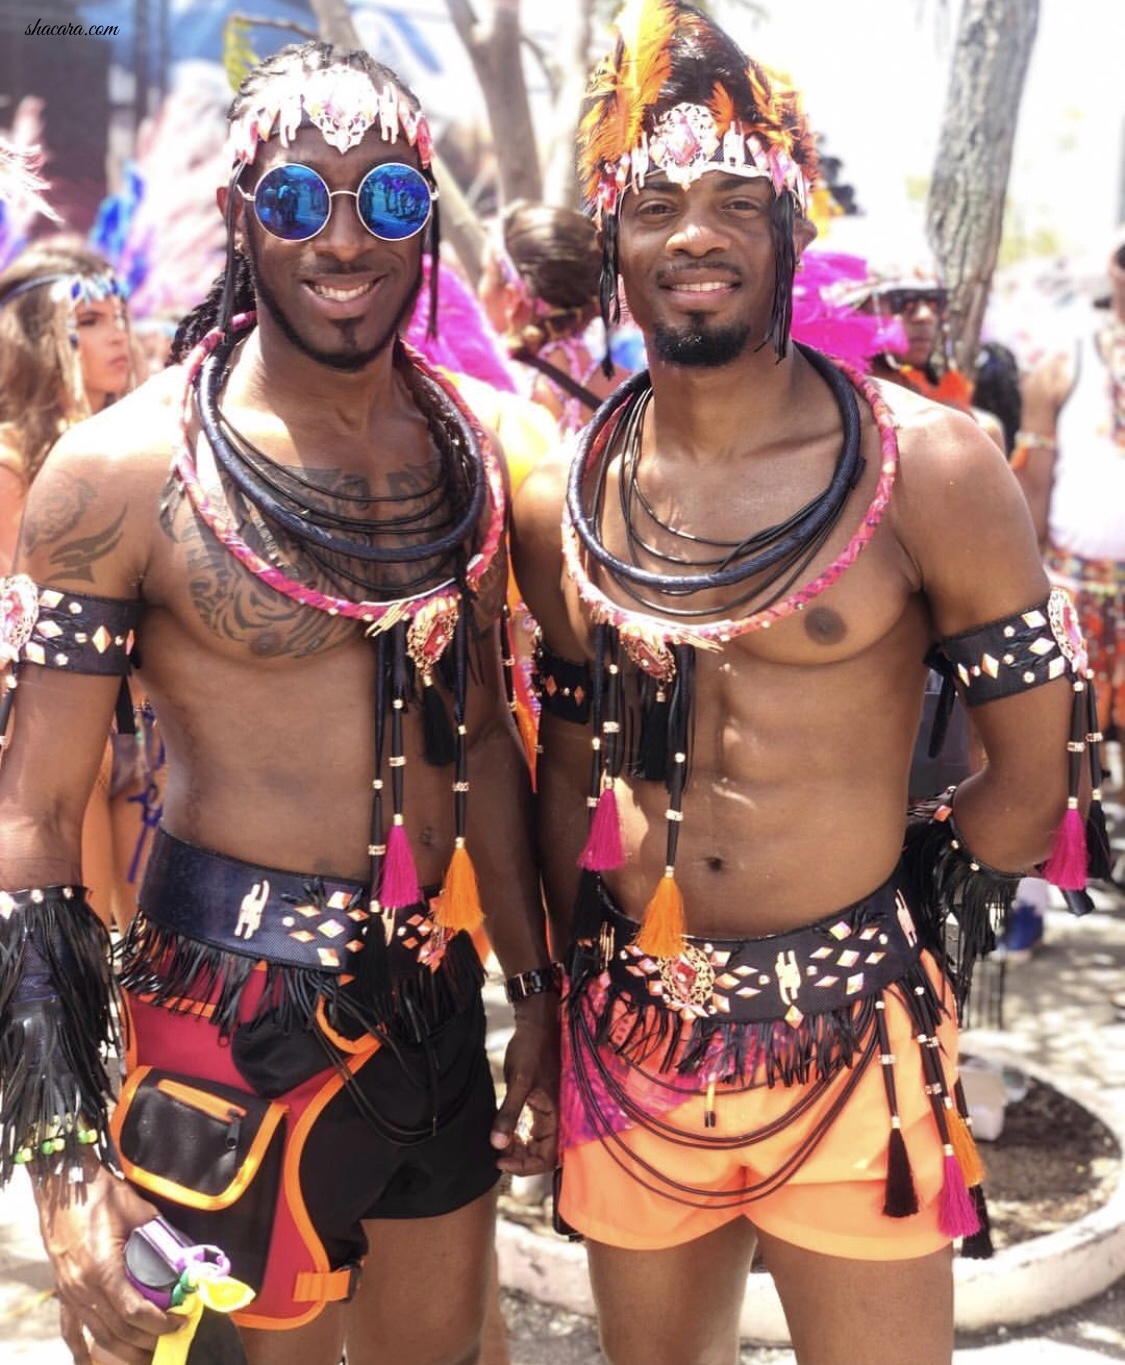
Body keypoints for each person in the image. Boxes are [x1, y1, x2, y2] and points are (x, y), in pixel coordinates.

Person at [512, 4, 1094, 1363]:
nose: (694, 235)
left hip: (849, 1029)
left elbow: (1031, 773)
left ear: (787, 228)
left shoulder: (928, 465)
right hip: (626, 1027)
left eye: (733, 200)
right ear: (612, 239)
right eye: (655, 206)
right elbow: (567, 761)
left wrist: (922, 923)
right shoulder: (564, 499)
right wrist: (545, 999)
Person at [0, 40, 557, 1365]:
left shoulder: (467, 451)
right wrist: (67, 1167)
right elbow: (29, 821)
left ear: (428, 216)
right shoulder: (118, 474)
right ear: (243, 213)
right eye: (303, 199)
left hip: (430, 996)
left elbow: (479, 734)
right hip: (222, 1030)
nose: (345, 237)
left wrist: (534, 990)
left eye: (390, 200)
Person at [0, 241, 155, 936]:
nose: (115, 333)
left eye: (117, 314)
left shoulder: (141, 452)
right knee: (77, 956)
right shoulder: (9, 462)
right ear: (37, 334)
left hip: (151, 731)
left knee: (161, 965)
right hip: (57, 746)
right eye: (89, 319)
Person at [477, 200, 633, 434]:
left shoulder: (490, 395)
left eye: (485, 274)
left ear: (513, 298)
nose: (479, 290)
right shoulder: (633, 392)